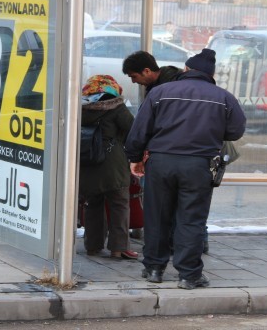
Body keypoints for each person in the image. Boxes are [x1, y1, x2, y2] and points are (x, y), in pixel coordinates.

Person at [124, 49, 246, 290]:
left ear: (187, 70)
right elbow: (235, 131)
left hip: (160, 163)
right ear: (211, 74)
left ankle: (154, 269)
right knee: (191, 219)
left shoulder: (159, 92)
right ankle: (189, 275)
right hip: (199, 165)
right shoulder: (224, 97)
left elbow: (139, 130)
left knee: (157, 215)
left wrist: (135, 158)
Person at [79, 75, 138, 260]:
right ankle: (119, 248)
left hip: (88, 162)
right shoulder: (117, 108)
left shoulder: (81, 109)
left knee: (92, 204)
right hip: (113, 163)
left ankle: (92, 245)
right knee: (119, 204)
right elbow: (133, 131)